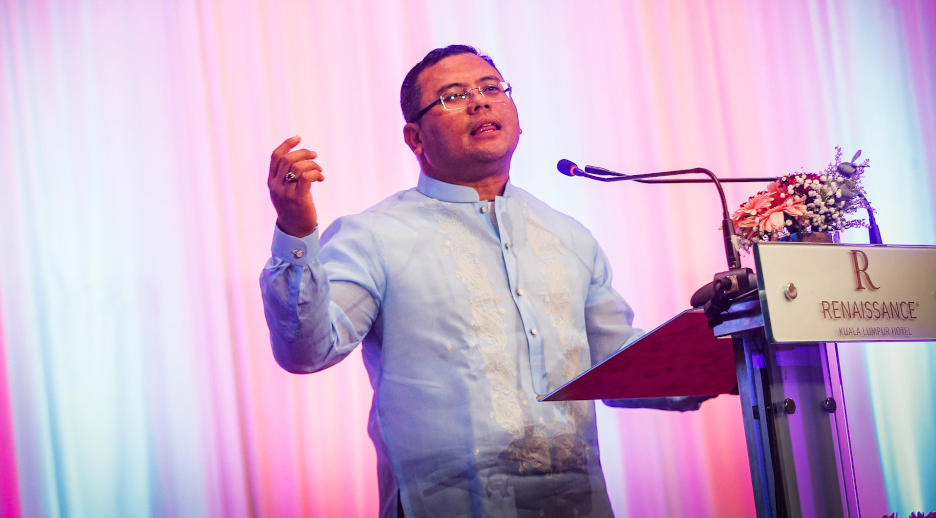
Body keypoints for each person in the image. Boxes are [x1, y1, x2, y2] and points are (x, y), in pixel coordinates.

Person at [261, 45, 690, 517]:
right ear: (414, 137)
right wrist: (297, 232)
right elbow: (306, 351)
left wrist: (728, 343)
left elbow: (619, 365)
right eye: (452, 96)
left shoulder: (567, 236)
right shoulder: (375, 235)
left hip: (576, 504)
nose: (480, 102)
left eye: (491, 88)